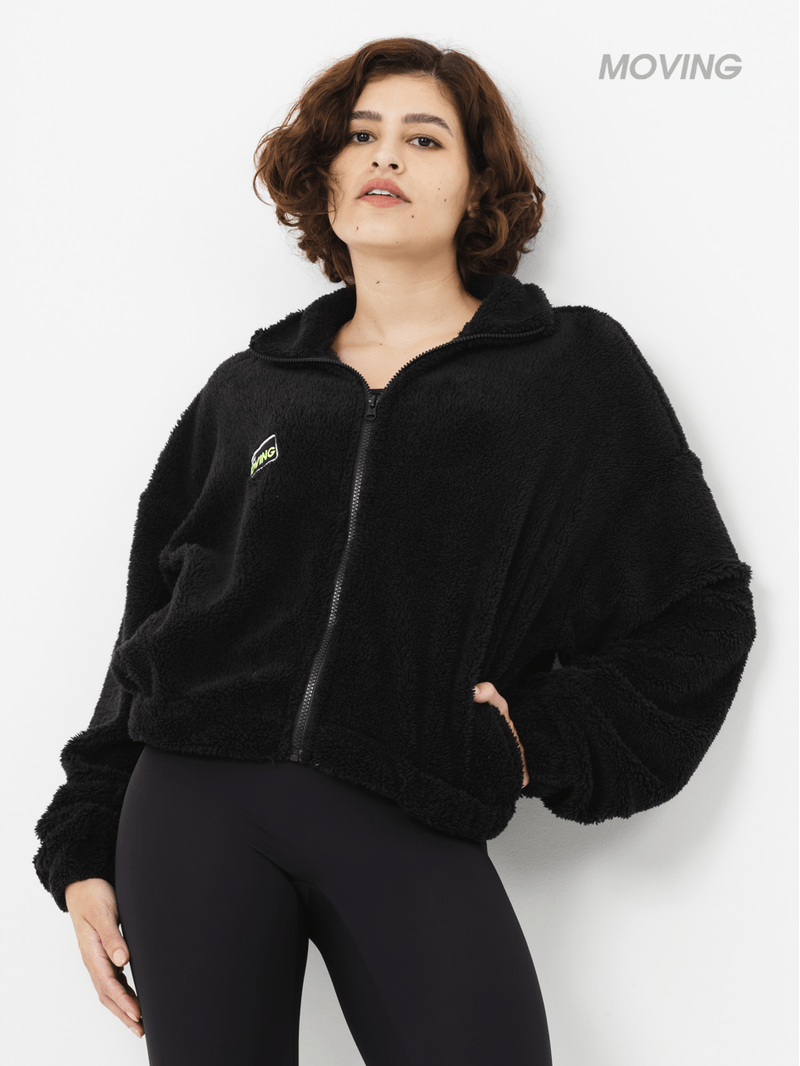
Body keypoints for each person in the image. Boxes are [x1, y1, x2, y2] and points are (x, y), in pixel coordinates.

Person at [32, 36, 756, 1065]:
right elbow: (150, 622)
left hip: (403, 792)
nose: (385, 156)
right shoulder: (250, 389)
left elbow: (700, 607)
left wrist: (533, 740)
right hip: (190, 803)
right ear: (324, 178)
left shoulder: (567, 369)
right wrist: (84, 844)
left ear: (476, 184)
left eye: (424, 139)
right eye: (359, 135)